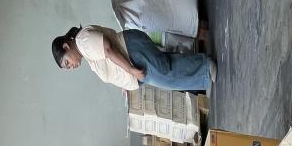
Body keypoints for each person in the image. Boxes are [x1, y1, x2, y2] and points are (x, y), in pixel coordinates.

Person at [50, 24, 215, 92]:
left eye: (67, 62)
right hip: (132, 54)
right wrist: (124, 82)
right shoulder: (85, 50)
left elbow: (107, 48)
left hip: (132, 51)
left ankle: (207, 68)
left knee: (167, 73)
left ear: (66, 47)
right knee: (167, 69)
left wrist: (130, 70)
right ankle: (204, 69)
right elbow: (108, 60)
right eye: (67, 67)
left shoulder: (82, 42)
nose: (70, 67)